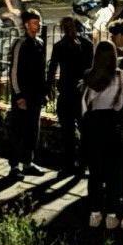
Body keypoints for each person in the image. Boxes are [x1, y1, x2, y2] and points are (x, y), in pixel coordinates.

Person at [81, 40, 123, 229]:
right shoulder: (120, 76)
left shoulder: (88, 76)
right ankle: (112, 215)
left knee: (95, 173)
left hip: (92, 128)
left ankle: (94, 213)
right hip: (113, 127)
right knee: (114, 172)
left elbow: (83, 106)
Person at [47, 17, 94, 174]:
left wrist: (51, 88)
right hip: (75, 92)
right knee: (78, 131)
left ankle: (74, 164)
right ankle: (78, 165)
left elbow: (52, 69)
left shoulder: (64, 46)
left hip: (72, 92)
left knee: (73, 131)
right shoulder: (83, 45)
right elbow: (91, 69)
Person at [6, 9, 47, 180]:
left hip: (36, 95)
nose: (38, 25)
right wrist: (19, 95)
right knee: (18, 130)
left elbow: (41, 71)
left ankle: (28, 163)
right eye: (35, 22)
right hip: (22, 94)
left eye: (39, 22)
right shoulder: (20, 44)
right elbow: (14, 71)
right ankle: (14, 166)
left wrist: (44, 92)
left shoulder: (40, 43)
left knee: (33, 130)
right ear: (26, 24)